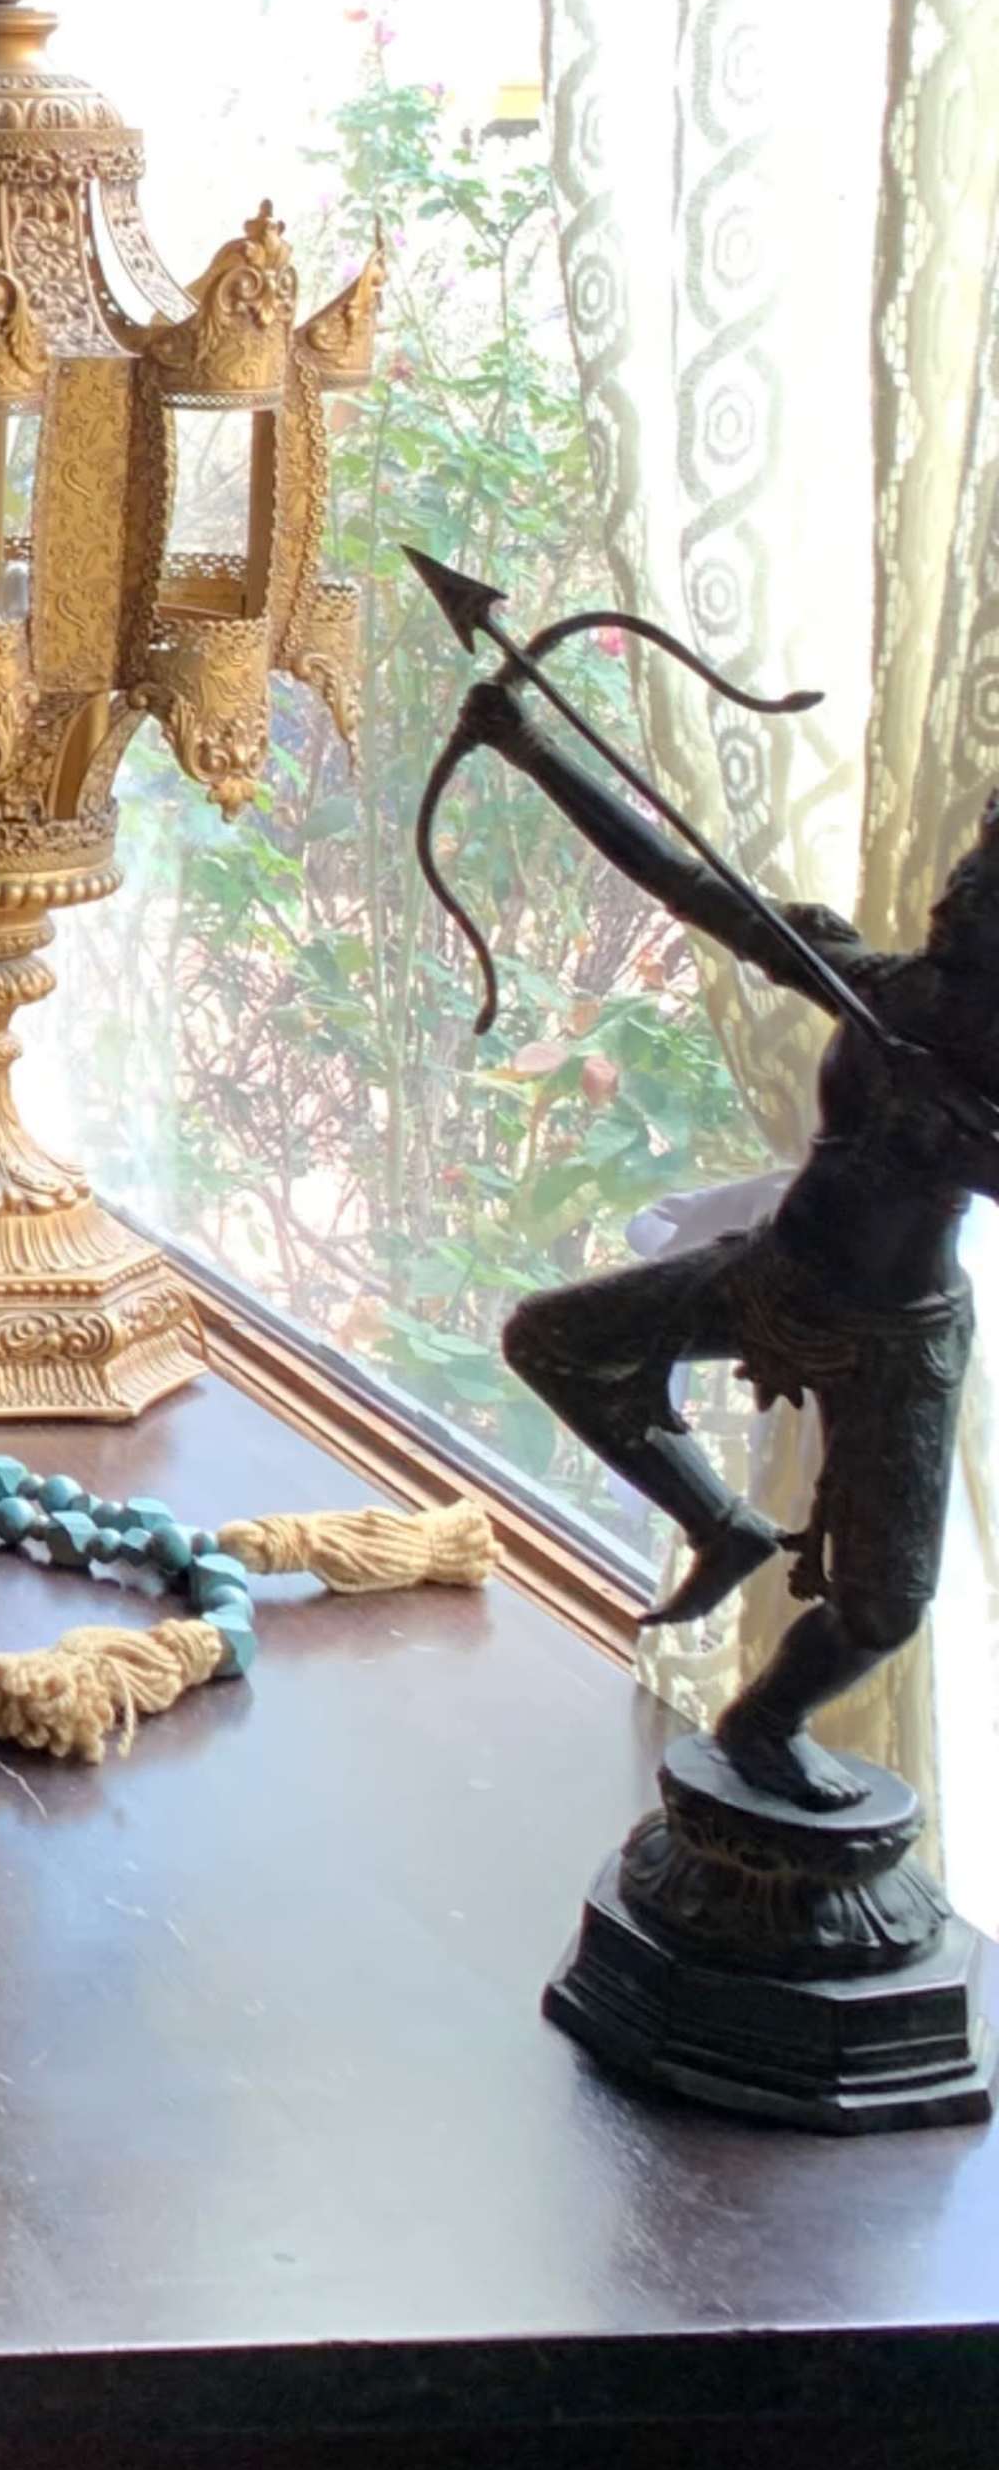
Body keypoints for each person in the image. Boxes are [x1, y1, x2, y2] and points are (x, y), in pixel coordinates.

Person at [449, 670, 999, 1804]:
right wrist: (532, 747)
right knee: (552, 1340)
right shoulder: (877, 986)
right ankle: (722, 1521)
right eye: (963, 885)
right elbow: (687, 882)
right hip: (779, 1273)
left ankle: (762, 1721)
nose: (957, 901)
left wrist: (963, 1138)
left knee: (884, 1605)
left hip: (899, 1332)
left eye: (981, 901)